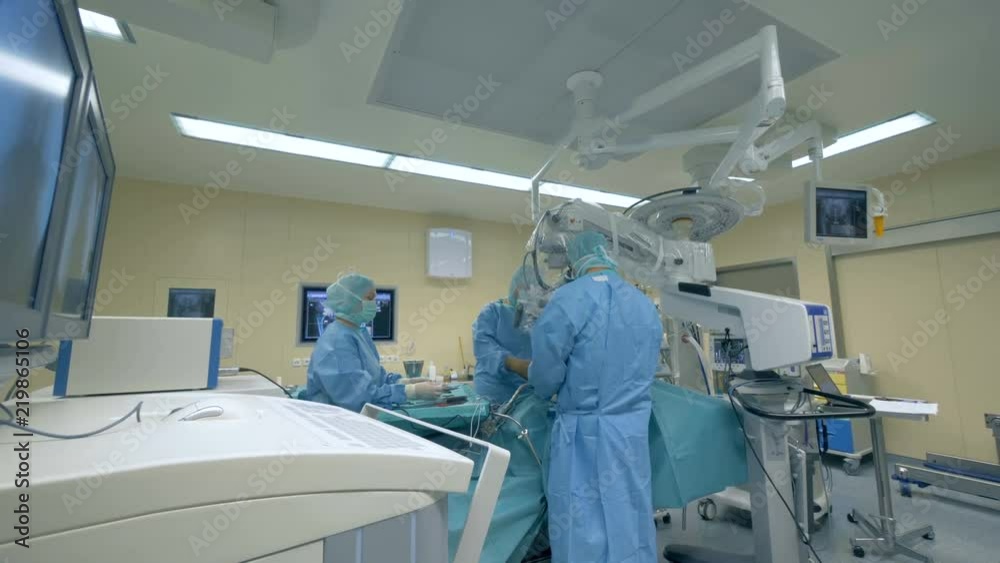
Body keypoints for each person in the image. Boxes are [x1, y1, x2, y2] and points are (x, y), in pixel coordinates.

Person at [528, 231, 663, 563]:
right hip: (630, 434)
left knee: (582, 526)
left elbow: (546, 379)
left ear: (573, 260)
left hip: (582, 438)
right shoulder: (644, 304)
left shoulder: (568, 299)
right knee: (630, 517)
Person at [303, 273, 443, 411]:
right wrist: (411, 392)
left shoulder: (360, 334)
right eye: (369, 298)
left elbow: (376, 377)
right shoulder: (336, 342)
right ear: (349, 301)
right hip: (339, 424)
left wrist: (406, 382)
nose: (374, 304)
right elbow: (359, 398)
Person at [472, 265, 535, 402]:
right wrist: (513, 364)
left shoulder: (538, 318)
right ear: (516, 288)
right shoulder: (492, 313)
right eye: (527, 289)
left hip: (528, 398)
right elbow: (484, 349)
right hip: (493, 396)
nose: (530, 296)